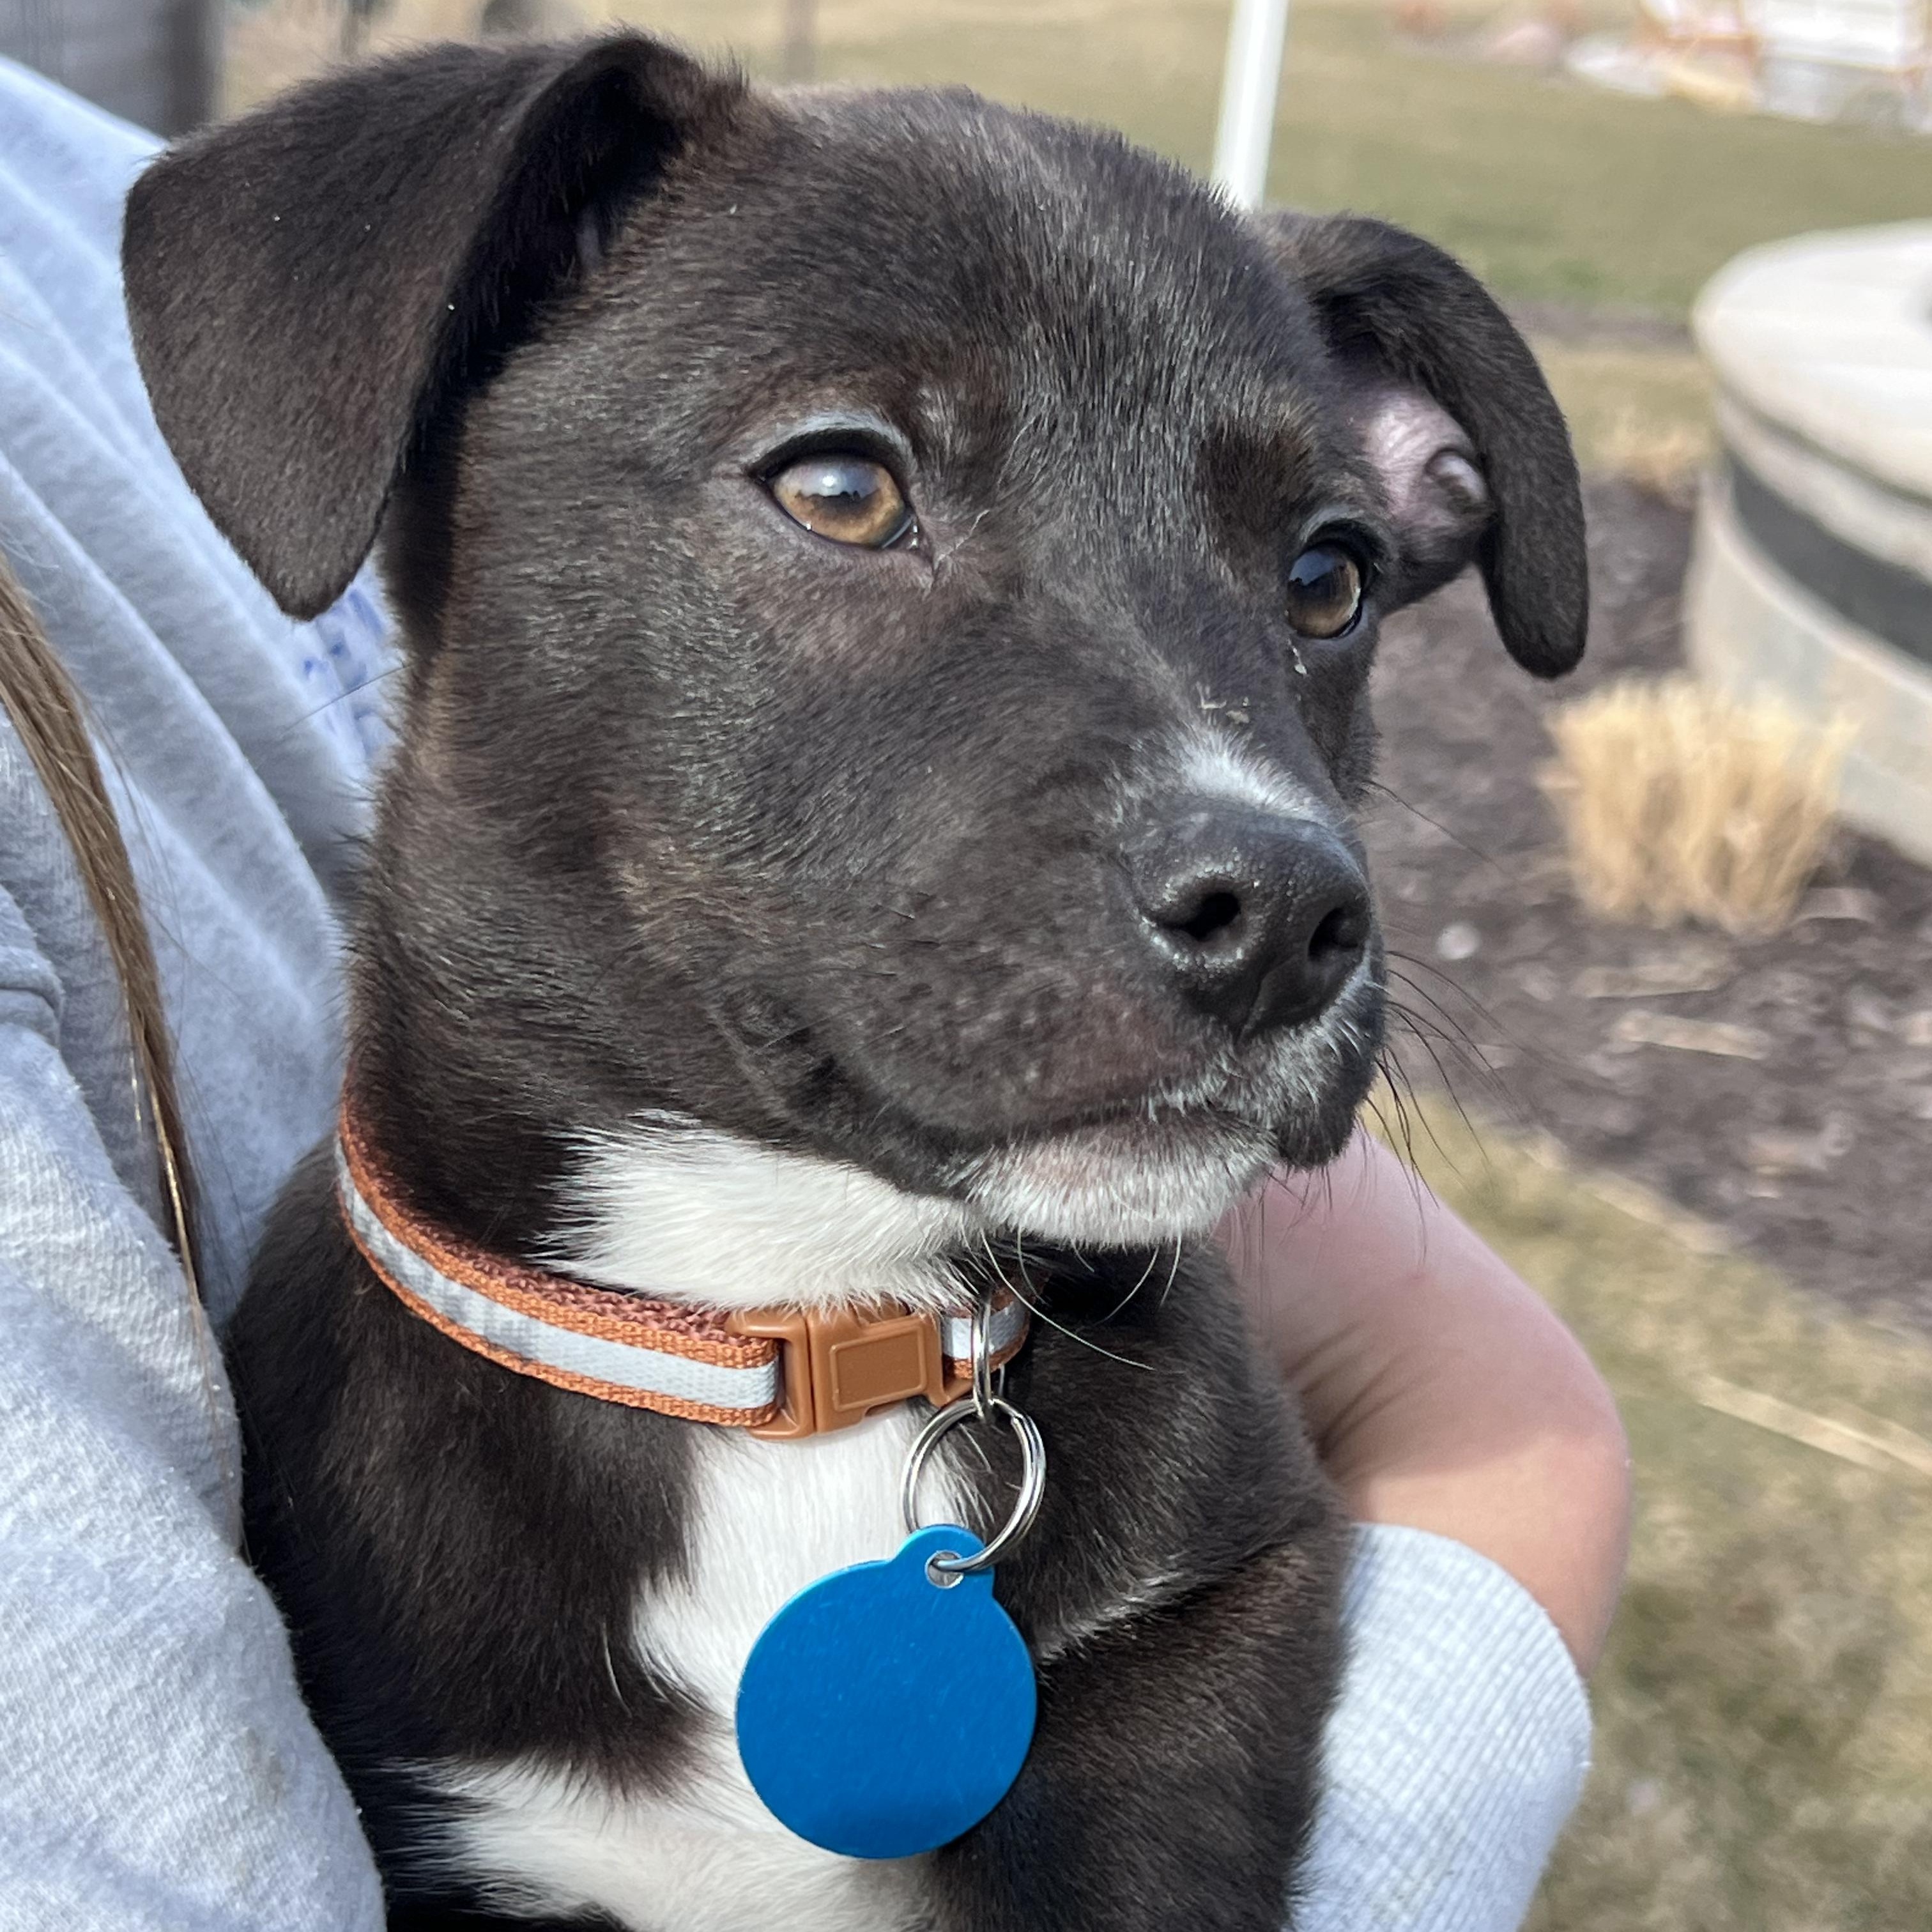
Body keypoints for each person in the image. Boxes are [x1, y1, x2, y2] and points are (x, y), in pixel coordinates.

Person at [0, 54, 1629, 1931]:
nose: (1254, 823)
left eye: (1316, 581)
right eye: (846, 487)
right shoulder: (305, 1536)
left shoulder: (1186, 1535)